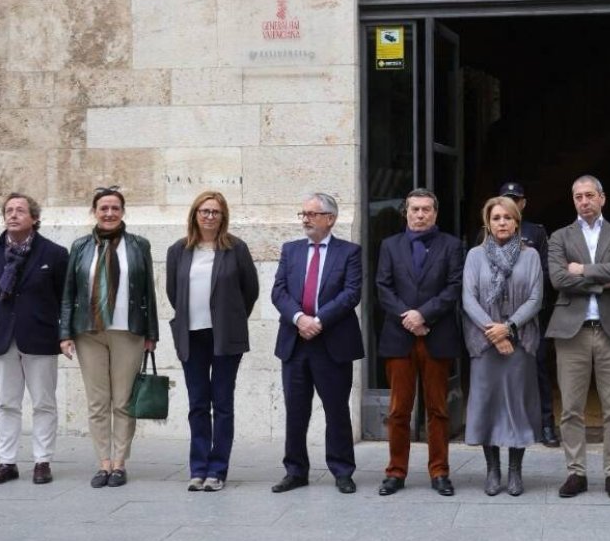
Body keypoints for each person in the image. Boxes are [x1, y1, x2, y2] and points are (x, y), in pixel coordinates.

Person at [59, 186, 159, 489]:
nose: (109, 213)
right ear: (94, 211)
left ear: (123, 212)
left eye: (115, 208)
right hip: (88, 332)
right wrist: (64, 333)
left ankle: (119, 463)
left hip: (128, 331)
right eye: (104, 208)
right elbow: (68, 293)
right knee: (97, 401)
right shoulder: (79, 246)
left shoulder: (139, 245)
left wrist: (151, 333)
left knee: (123, 401)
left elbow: (148, 293)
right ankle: (102, 462)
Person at [546, 174, 610, 499]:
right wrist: (604, 276)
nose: (584, 201)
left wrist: (582, 271)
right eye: (578, 197)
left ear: (602, 198)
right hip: (573, 332)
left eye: (589, 195)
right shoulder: (559, 236)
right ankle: (576, 473)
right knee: (570, 408)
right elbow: (557, 278)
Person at [166, 191, 259, 492]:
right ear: (194, 215)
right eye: (204, 211)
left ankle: (217, 470)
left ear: (223, 216)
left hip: (224, 338)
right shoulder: (178, 251)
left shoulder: (236, 249)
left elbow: (250, 291)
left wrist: (230, 318)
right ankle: (198, 468)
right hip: (190, 336)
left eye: (215, 212)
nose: (209, 216)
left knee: (222, 403)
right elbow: (172, 293)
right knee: (196, 404)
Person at [270, 192, 362, 494]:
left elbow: (350, 294)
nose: (306, 219)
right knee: (295, 410)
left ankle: (342, 471)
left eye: (312, 214)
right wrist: (299, 318)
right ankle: (295, 471)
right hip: (295, 342)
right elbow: (279, 291)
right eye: (303, 213)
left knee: (336, 410)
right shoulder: (291, 250)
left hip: (332, 342)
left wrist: (318, 321)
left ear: (330, 218)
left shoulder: (349, 252)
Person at [0, 193, 68, 485]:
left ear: (34, 218)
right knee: (7, 403)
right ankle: (7, 462)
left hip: (40, 335)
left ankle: (42, 461)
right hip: (2, 336)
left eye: (20, 210)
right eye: (9, 210)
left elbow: (62, 295)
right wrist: (2, 319)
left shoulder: (54, 254)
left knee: (43, 402)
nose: (13, 214)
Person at [376, 188, 464, 497]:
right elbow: (383, 287)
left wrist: (424, 315)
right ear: (406, 212)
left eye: (426, 209)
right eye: (414, 209)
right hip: (400, 337)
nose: (420, 214)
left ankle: (439, 471)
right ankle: (395, 472)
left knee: (438, 409)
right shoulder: (390, 245)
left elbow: (454, 287)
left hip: (436, 336)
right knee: (399, 409)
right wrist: (408, 317)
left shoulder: (451, 246)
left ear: (435, 214)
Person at [462, 196, 543, 496]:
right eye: (496, 218)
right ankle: (492, 470)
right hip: (483, 344)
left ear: (516, 222)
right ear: (488, 222)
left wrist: (508, 329)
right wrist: (494, 333)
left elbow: (536, 298)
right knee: (487, 406)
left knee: (516, 407)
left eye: (507, 218)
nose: (502, 223)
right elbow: (468, 298)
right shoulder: (474, 255)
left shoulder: (530, 256)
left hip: (520, 342)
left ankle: (515, 471)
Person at [496, 182, 558, 447]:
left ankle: (546, 424)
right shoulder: (489, 230)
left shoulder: (536, 232)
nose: (511, 203)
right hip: (497, 315)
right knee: (501, 370)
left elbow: (545, 272)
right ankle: (505, 424)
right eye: (506, 199)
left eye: (516, 199)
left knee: (539, 368)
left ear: (523, 203)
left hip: (531, 315)